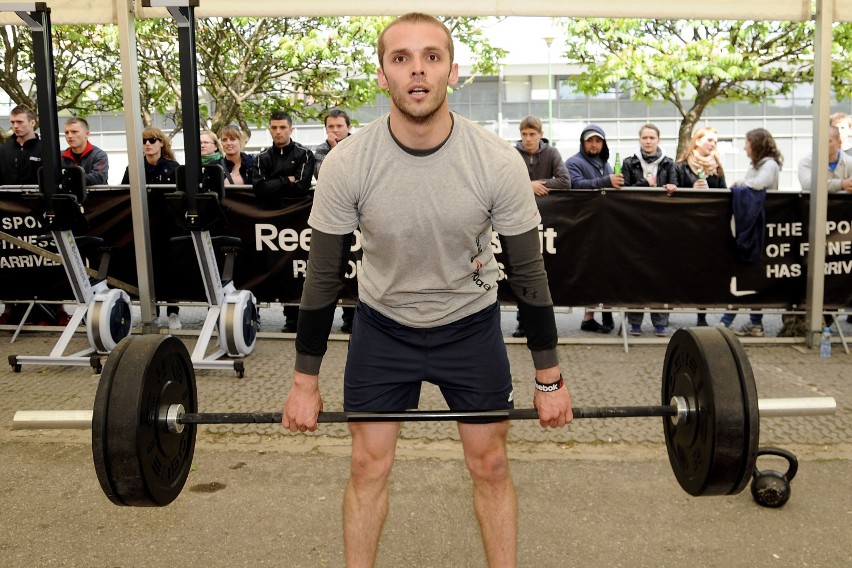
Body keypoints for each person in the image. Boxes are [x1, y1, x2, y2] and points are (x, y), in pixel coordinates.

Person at [280, 13, 573, 568]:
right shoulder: (347, 164)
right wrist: (304, 382)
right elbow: (322, 275)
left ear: (452, 72)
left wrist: (549, 377)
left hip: (469, 323)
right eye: (402, 58)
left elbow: (529, 274)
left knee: (489, 464)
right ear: (382, 75)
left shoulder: (495, 161)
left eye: (432, 57)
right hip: (383, 325)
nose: (418, 71)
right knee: (368, 464)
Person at [252, 111, 315, 333]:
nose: (278, 131)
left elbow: (301, 187)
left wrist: (274, 183)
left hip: (298, 224)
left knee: (299, 270)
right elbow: (259, 188)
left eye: (282, 127)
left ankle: (301, 319)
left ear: (291, 129)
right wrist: (285, 179)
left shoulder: (305, 154)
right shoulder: (262, 158)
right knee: (276, 268)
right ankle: (288, 319)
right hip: (270, 226)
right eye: (274, 128)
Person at [717, 128, 783, 337]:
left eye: (746, 143)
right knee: (749, 273)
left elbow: (758, 184)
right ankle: (752, 323)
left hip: (758, 225)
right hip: (753, 224)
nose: (744, 147)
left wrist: (739, 184)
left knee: (749, 273)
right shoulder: (758, 165)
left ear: (756, 144)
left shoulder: (769, 165)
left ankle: (730, 321)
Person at [511, 115, 570, 338]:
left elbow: (565, 181)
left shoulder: (552, 153)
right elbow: (503, 181)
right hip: (518, 220)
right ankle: (522, 321)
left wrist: (539, 185)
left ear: (540, 135)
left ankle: (543, 324)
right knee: (521, 272)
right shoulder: (512, 153)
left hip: (548, 220)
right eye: (524, 134)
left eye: (532, 134)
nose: (527, 139)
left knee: (544, 273)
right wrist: (529, 185)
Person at [121, 127, 182, 329]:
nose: (148, 144)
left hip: (168, 227)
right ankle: (151, 311)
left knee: (170, 269)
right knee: (147, 270)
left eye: (153, 140)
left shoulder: (173, 167)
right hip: (142, 226)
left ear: (161, 143)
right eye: (145, 141)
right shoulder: (134, 168)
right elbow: (122, 196)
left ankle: (173, 312)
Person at [565, 123, 622, 333]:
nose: (594, 144)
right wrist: (606, 181)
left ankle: (606, 311)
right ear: (583, 142)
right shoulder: (573, 162)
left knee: (607, 270)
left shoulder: (606, 163)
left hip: (606, 228)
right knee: (589, 271)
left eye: (598, 140)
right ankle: (588, 317)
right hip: (584, 227)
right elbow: (575, 185)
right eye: (590, 140)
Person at [621, 123, 677, 336]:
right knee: (636, 274)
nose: (648, 141)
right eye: (644, 137)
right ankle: (635, 322)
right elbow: (623, 192)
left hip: (662, 228)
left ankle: (660, 322)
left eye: (651, 137)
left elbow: (675, 188)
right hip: (634, 226)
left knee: (662, 275)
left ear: (658, 140)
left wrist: (672, 188)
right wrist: (645, 183)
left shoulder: (669, 164)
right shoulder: (629, 162)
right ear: (640, 139)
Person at [674, 126, 728, 326]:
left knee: (705, 272)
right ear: (697, 141)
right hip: (685, 226)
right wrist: (690, 189)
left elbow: (724, 192)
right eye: (709, 140)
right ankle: (665, 311)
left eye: (715, 141)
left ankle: (701, 316)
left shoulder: (717, 168)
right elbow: (672, 192)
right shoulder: (680, 166)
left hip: (708, 227)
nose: (713, 145)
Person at [313, 109, 355, 333]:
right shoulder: (321, 150)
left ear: (348, 126)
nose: (335, 130)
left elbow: (357, 175)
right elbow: (323, 174)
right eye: (331, 127)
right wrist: (336, 151)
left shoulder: (360, 144)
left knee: (356, 269)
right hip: (334, 218)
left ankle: (354, 316)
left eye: (339, 126)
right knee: (335, 270)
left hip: (359, 218)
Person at [798, 125, 852, 194]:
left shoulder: (849, 162)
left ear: (839, 142)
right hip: (815, 204)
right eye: (819, 140)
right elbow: (808, 185)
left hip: (845, 204)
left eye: (828, 141)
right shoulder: (806, 162)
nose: (822, 144)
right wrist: (841, 184)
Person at [0, 105, 42, 187]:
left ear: (33, 123)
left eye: (19, 122)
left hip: (36, 199)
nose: (15, 126)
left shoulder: (45, 149)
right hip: (6, 199)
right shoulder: (3, 150)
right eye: (12, 122)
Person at [60, 117, 109, 186]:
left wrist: (70, 178)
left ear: (87, 134)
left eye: (74, 132)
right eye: (66, 132)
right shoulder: (60, 156)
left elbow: (99, 178)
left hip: (95, 196)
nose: (69, 136)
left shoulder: (99, 155)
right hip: (68, 196)